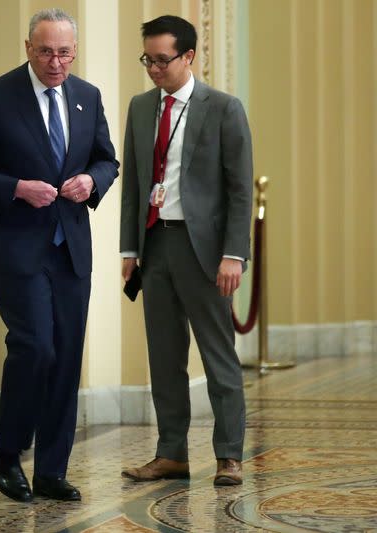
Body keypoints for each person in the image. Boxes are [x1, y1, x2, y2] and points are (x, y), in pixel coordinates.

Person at [0, 9, 119, 502]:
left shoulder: (87, 97)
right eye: (46, 51)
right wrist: (16, 188)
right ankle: (7, 455)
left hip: (70, 250)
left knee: (65, 358)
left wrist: (93, 182)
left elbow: (107, 159)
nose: (56, 62)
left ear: (74, 52)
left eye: (65, 52)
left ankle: (51, 471)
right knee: (35, 347)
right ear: (28, 48)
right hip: (14, 247)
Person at [119, 15, 253, 486]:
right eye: (148, 60)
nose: (154, 69)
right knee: (164, 357)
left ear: (189, 56)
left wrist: (234, 254)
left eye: (162, 60)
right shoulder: (139, 109)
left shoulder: (223, 108)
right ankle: (170, 453)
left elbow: (240, 190)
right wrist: (129, 249)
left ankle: (229, 456)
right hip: (156, 247)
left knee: (218, 357)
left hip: (207, 252)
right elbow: (135, 187)